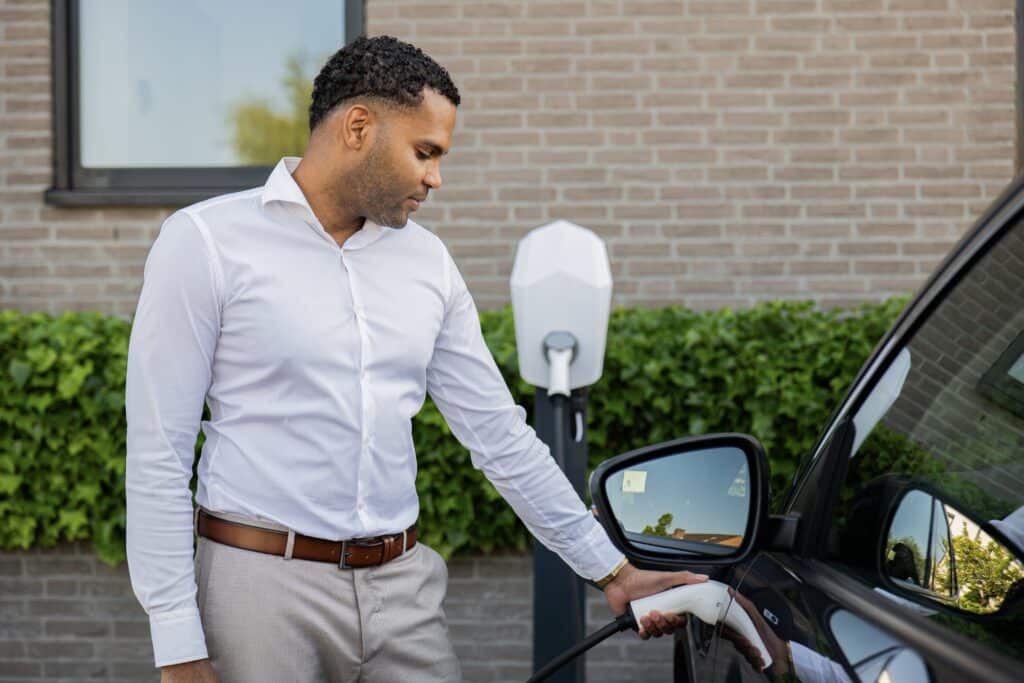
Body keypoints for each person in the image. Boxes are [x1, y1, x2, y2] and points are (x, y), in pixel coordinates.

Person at [126, 35, 704, 683]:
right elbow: (158, 453)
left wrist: (614, 568)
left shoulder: (427, 261)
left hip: (403, 590)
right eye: (424, 152)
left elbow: (499, 435)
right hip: (259, 589)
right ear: (358, 126)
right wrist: (177, 643)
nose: (435, 177)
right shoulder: (204, 242)